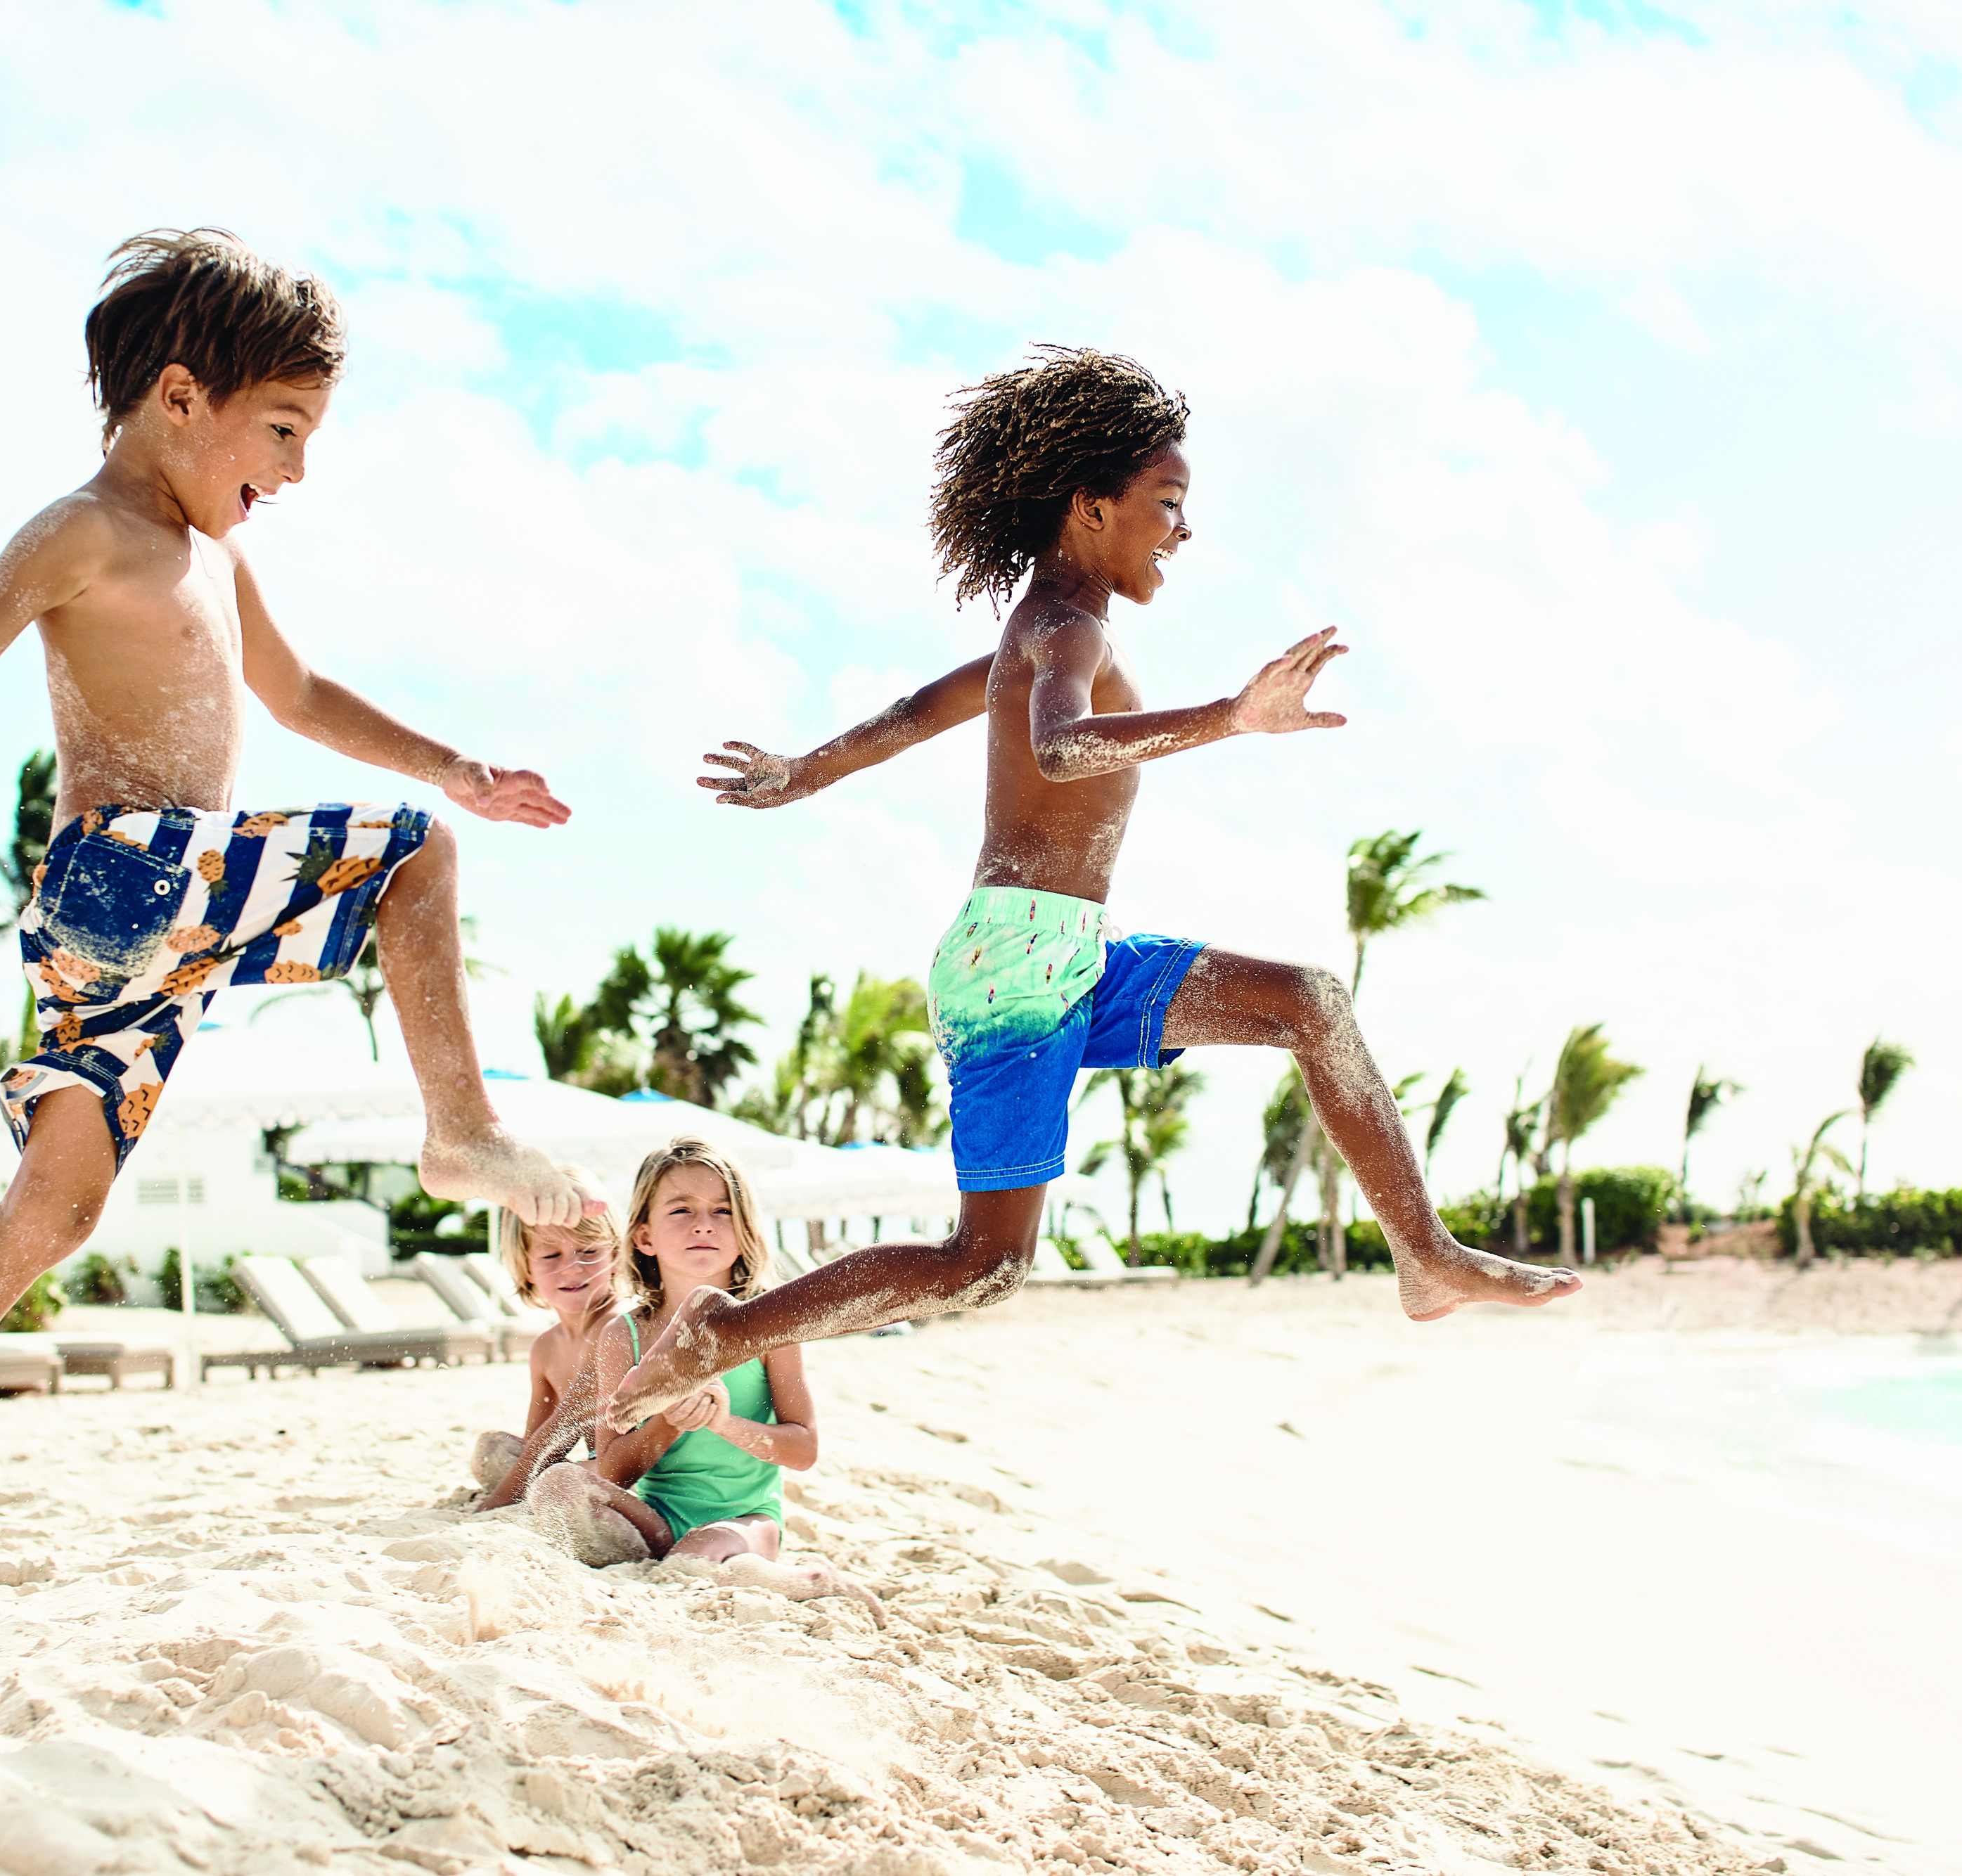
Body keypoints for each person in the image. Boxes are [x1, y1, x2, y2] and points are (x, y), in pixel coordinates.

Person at [0, 228, 591, 1600]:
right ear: (182, 397)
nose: (299, 469)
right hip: (128, 872)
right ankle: (460, 1130)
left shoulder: (211, 555)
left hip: (138, 923)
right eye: (282, 427)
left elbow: (302, 697)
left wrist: (456, 765)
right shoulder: (88, 530)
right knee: (408, 860)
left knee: (52, 1210)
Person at [608, 346, 1580, 1431]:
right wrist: (1230, 716)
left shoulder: (1041, 628)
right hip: (1018, 967)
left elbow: (915, 714)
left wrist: (804, 772)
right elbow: (1064, 749)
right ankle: (723, 1332)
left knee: (1312, 1003)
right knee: (983, 1266)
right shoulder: (1064, 629)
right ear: (1089, 506)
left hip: (1064, 954)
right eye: (1167, 503)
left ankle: (1425, 1255)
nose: (1183, 530)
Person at [524, 1140, 875, 1612]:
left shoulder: (769, 1328)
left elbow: (803, 1449)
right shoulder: (622, 1335)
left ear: (744, 1231)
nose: (704, 1223)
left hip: (745, 1520)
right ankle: (686, 1566)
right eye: (681, 1210)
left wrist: (722, 1423)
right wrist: (668, 1421)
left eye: (722, 1211)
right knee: (558, 1485)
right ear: (645, 1237)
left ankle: (807, 1580)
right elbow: (612, 1470)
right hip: (659, 1518)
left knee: (696, 1557)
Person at [470, 1164, 620, 1508]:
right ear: (526, 1266)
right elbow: (537, 1444)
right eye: (552, 1255)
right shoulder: (546, 1348)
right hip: (594, 1466)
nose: (572, 1267)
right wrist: (522, 1480)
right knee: (494, 1450)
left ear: (616, 1255)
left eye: (589, 1251)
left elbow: (563, 1428)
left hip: (639, 1469)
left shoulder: (620, 1327)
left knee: (556, 1478)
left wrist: (503, 1498)